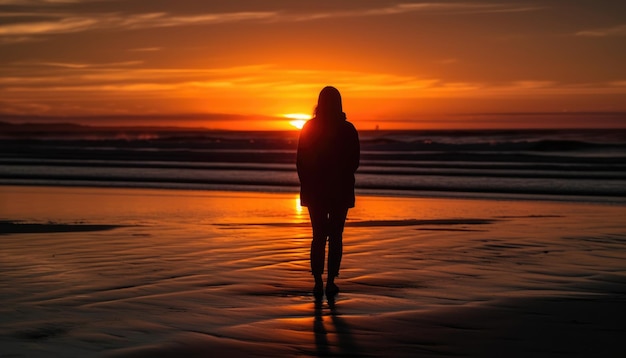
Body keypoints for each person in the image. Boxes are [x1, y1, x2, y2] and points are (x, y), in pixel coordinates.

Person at [296, 86, 360, 299]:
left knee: (319, 236)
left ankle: (317, 282)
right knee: (335, 236)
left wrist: (308, 184)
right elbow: (354, 162)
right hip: (340, 189)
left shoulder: (309, 127)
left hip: (316, 190)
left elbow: (301, 162)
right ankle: (330, 281)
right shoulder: (348, 129)